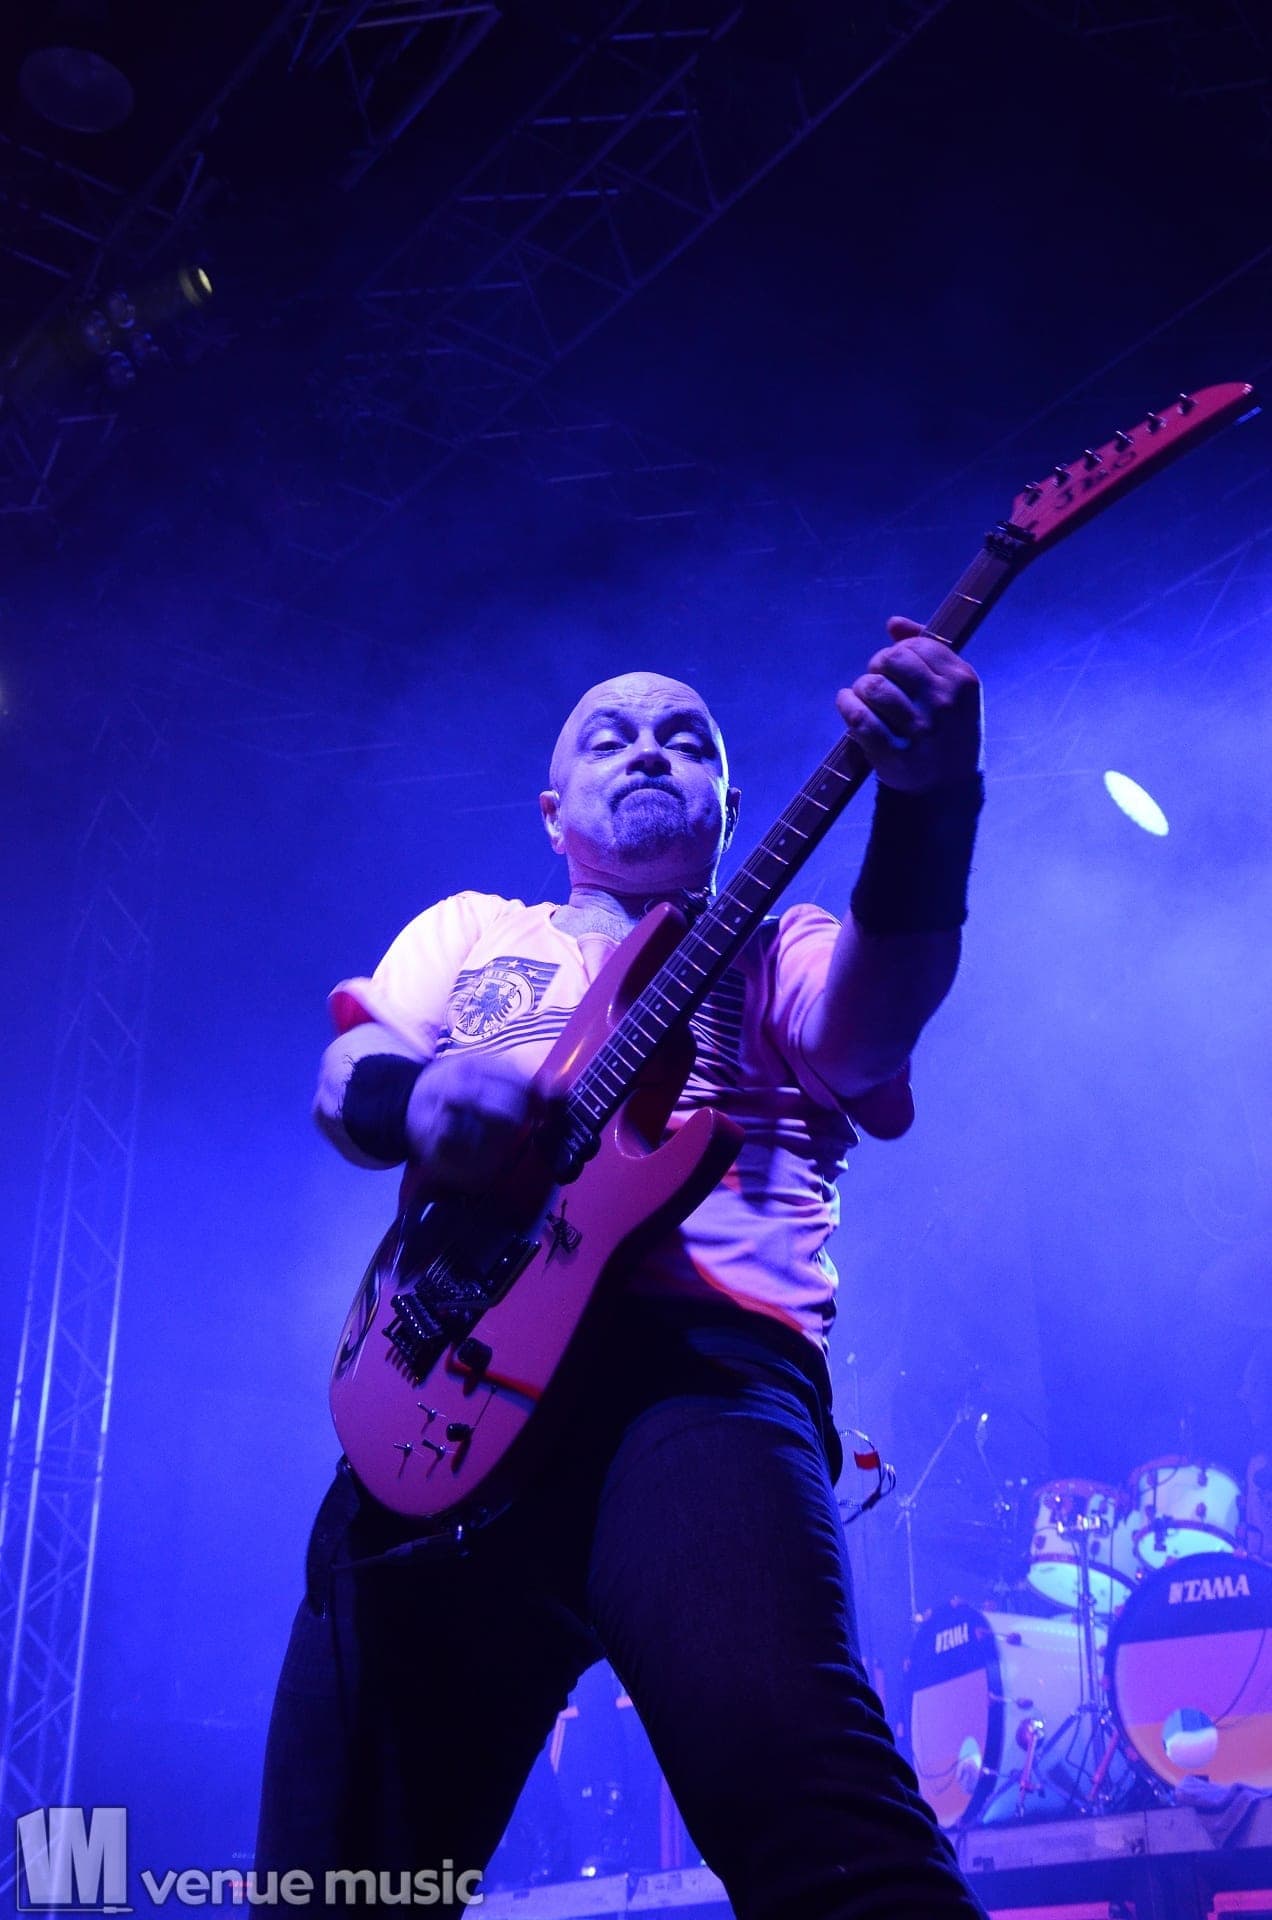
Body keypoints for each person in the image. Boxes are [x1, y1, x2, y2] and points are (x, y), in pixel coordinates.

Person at [256, 616, 990, 1918]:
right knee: (335, 1889)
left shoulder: (783, 944)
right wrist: (421, 1101)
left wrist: (929, 805)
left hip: (693, 1387)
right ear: (554, 814)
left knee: (828, 1837)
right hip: (444, 1382)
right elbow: (349, 1071)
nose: (649, 751)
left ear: (728, 808)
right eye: (610, 738)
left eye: (686, 740)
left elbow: (871, 1035)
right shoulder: (473, 929)